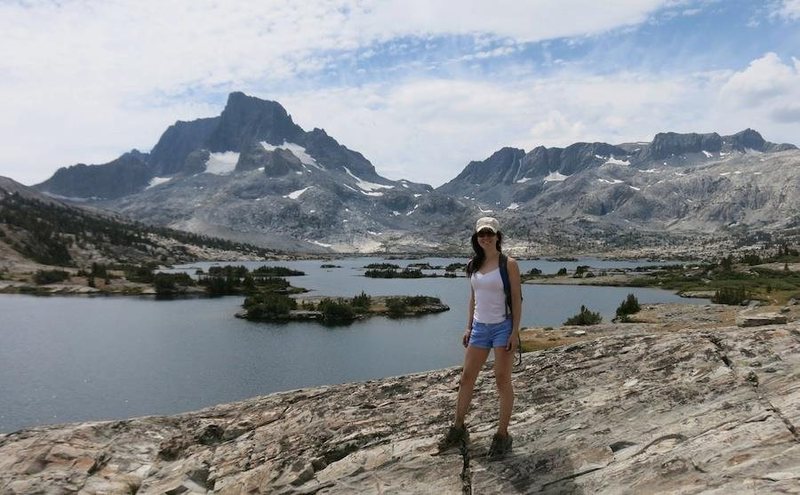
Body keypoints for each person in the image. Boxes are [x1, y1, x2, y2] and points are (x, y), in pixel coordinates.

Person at [438, 216, 522, 460]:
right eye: (481, 234)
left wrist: (514, 332)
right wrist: (468, 327)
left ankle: (503, 434)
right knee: (466, 378)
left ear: (498, 236)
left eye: (490, 233)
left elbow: (516, 299)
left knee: (501, 379)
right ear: (476, 238)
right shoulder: (472, 264)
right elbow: (473, 299)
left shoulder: (509, 264)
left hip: (502, 327)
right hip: (479, 328)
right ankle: (458, 428)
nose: (485, 237)